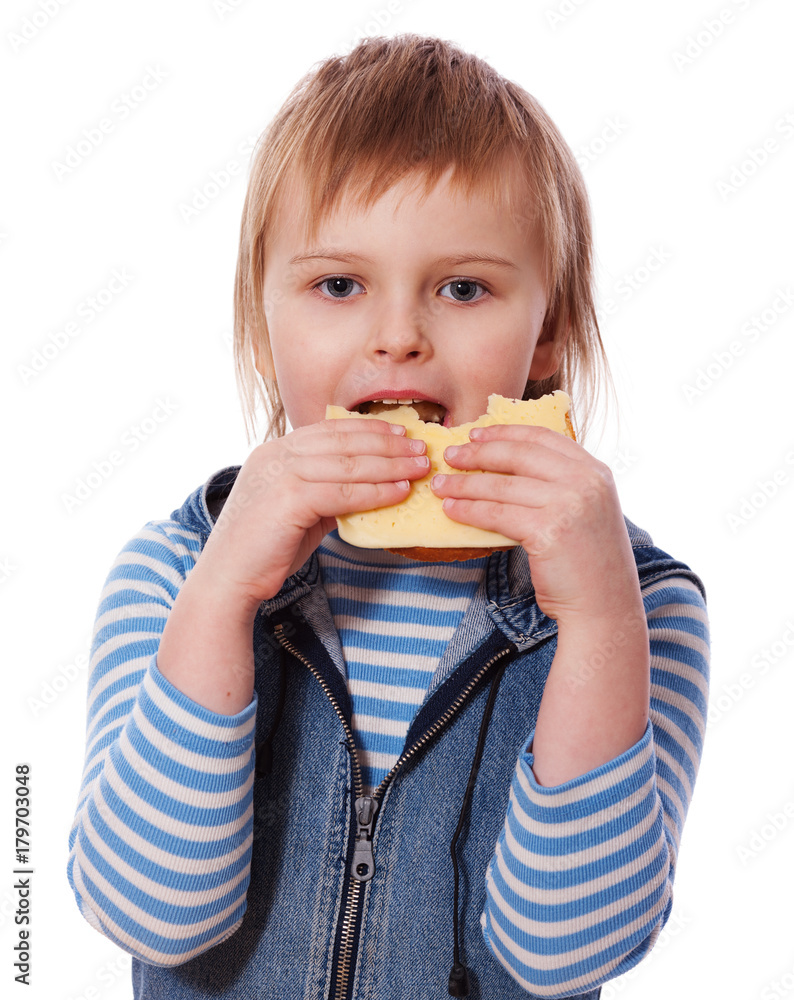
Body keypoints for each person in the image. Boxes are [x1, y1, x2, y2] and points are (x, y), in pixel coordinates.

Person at [66, 34, 710, 1000]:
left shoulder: (642, 610)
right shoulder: (172, 574)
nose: (399, 336)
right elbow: (146, 911)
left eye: (463, 288)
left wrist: (601, 621)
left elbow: (564, 954)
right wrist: (225, 594)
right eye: (338, 285)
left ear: (554, 328)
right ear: (263, 315)